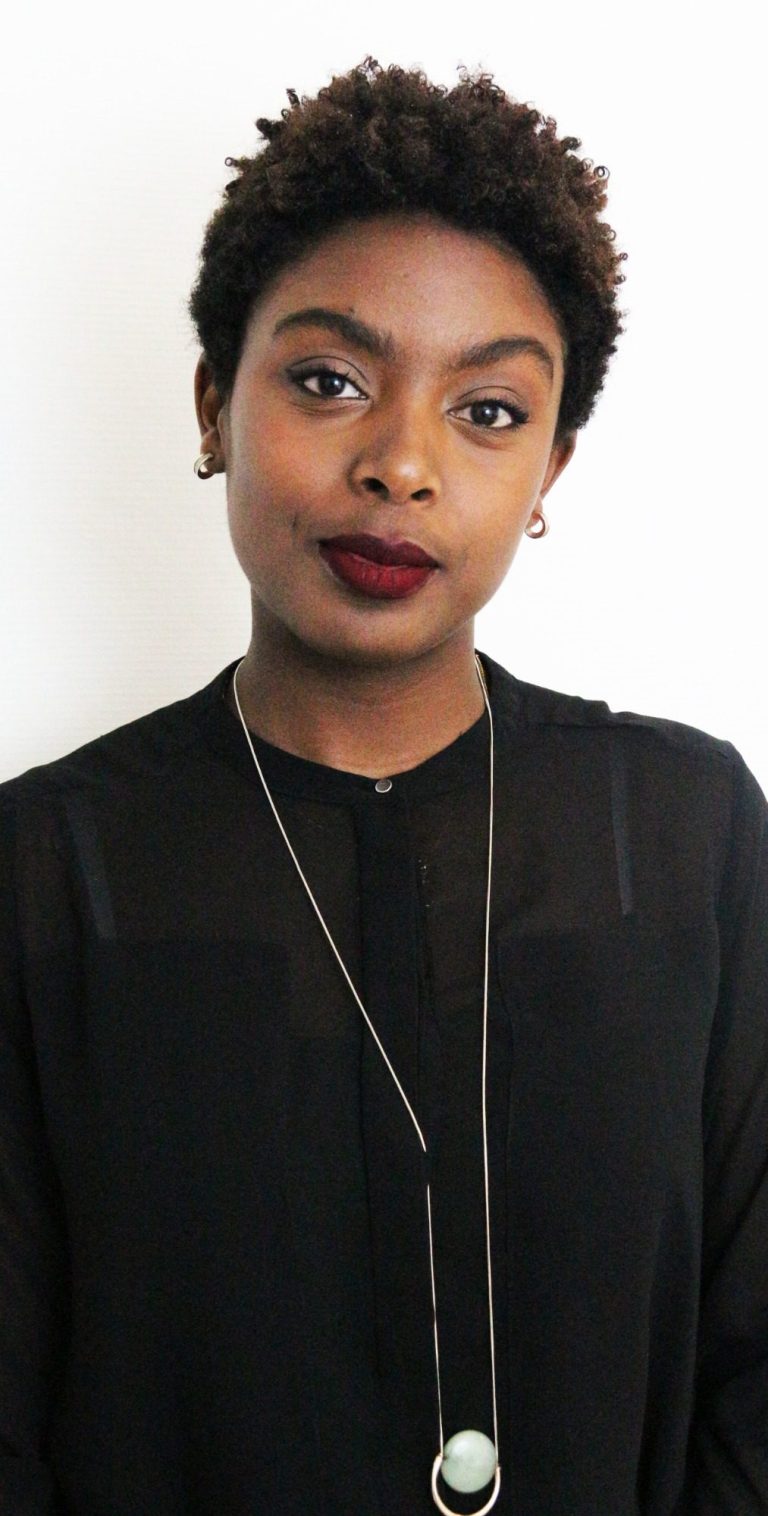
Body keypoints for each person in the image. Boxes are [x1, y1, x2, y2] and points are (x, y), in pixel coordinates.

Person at [1, 55, 766, 1516]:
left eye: (487, 412)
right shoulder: (48, 868)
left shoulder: (686, 833)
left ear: (551, 472)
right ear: (216, 402)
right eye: (330, 380)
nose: (401, 463)